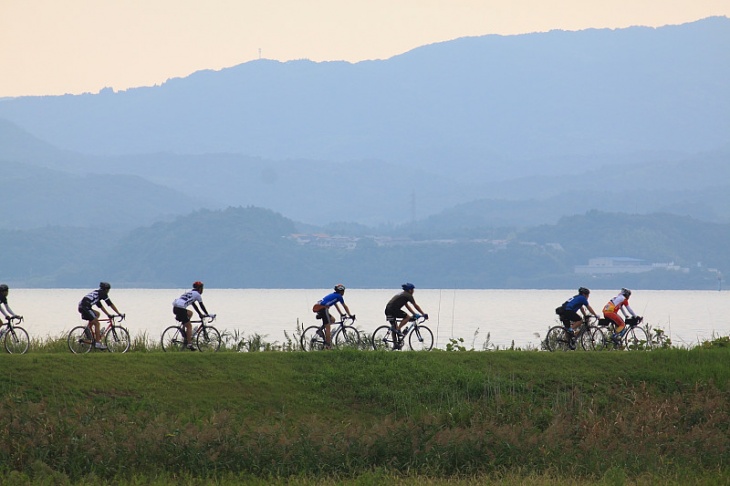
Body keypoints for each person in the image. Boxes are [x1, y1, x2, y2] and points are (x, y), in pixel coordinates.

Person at [78, 282, 123, 350]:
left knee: (97, 314)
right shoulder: (103, 293)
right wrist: (119, 313)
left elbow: (101, 307)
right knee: (97, 323)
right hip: (85, 307)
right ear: (106, 289)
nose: (108, 292)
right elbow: (110, 304)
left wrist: (108, 314)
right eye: (108, 290)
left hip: (83, 306)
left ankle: (90, 330)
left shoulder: (98, 294)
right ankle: (98, 343)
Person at [172, 281, 211, 351]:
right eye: (202, 288)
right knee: (189, 326)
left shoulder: (190, 293)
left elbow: (194, 305)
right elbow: (201, 305)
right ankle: (189, 344)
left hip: (175, 308)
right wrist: (207, 314)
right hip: (181, 309)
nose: (202, 290)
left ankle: (184, 330)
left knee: (190, 313)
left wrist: (200, 314)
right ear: (199, 288)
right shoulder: (197, 295)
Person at [312, 284, 353, 348]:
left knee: (333, 320)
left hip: (321, 308)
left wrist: (341, 314)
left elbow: (336, 305)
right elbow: (345, 306)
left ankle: (321, 331)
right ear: (341, 291)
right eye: (343, 291)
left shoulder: (335, 295)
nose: (344, 292)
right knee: (328, 327)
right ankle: (328, 346)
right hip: (323, 309)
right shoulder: (339, 296)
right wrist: (350, 315)